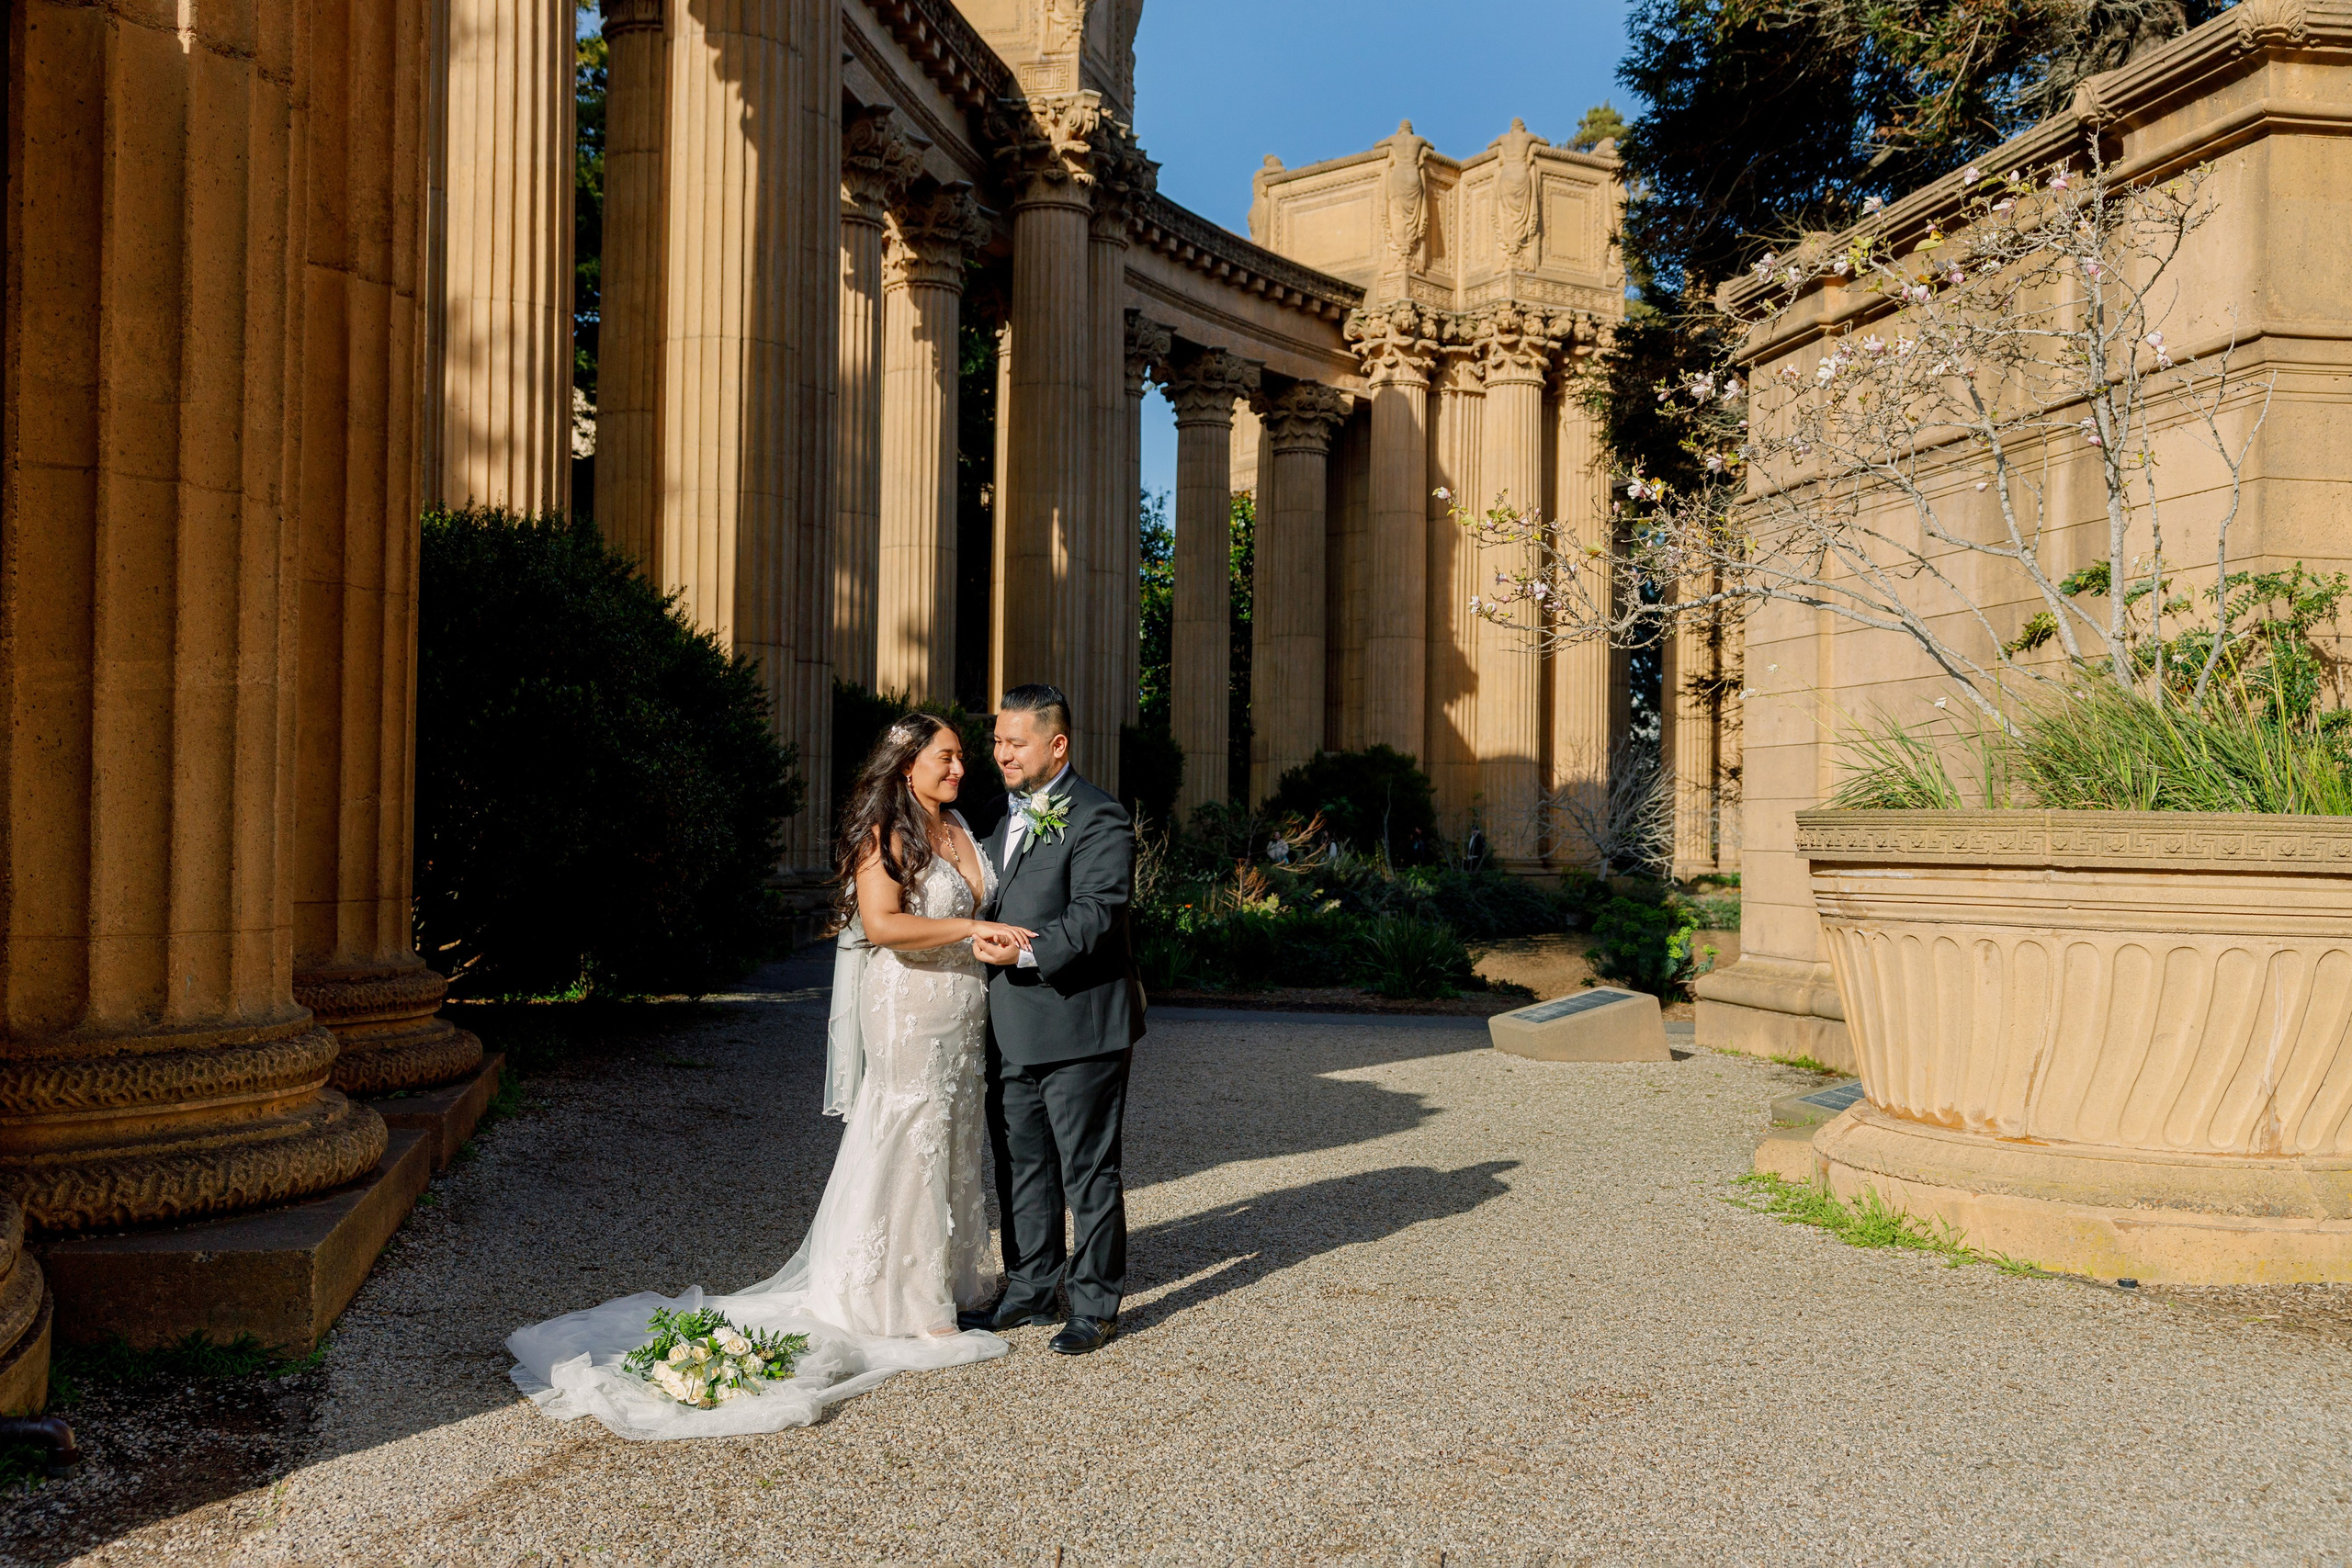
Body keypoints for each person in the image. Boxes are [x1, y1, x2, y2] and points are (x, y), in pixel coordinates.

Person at [503, 714, 1034, 1440]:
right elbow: (881, 925)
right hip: (908, 1003)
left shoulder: (962, 830)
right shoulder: (886, 833)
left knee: (953, 1129)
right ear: (907, 762)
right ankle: (902, 1300)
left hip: (963, 1006)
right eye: (946, 757)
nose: (959, 769)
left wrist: (990, 939)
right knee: (909, 1130)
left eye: (961, 758)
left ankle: (943, 1274)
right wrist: (968, 931)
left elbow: (979, 905)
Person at [960, 683, 1144, 1356]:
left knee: (1088, 1168)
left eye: (1016, 742)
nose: (1002, 753)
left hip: (1080, 1022)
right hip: (1007, 1023)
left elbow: (1098, 910)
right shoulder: (988, 811)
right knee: (1020, 1163)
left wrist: (1026, 948)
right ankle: (1032, 1287)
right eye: (999, 741)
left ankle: (1095, 1304)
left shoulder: (1100, 816)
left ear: (1057, 744)